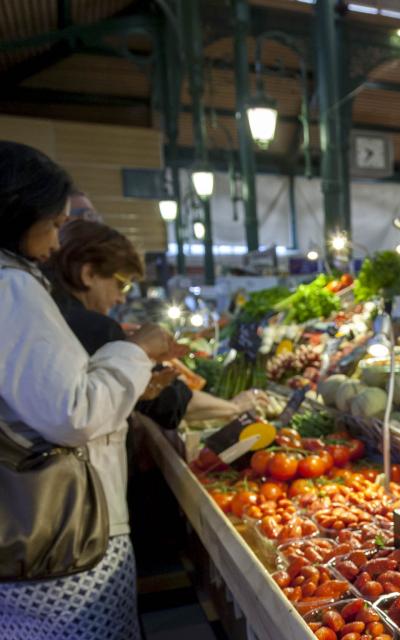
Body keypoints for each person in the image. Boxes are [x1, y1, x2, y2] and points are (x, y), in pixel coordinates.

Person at [0, 141, 182, 640]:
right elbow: (72, 412)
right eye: (55, 223)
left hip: (30, 536)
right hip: (62, 535)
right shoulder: (11, 285)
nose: (57, 243)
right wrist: (138, 351)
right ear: (19, 209)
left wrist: (130, 387)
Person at [49, 218, 266, 425]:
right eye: (122, 285)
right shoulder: (95, 328)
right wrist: (234, 407)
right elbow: (166, 402)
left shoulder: (46, 313)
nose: (121, 298)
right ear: (88, 274)